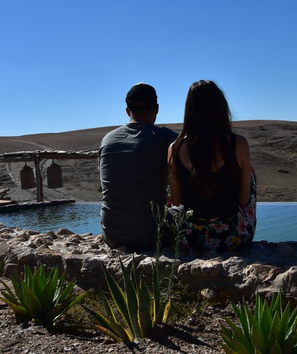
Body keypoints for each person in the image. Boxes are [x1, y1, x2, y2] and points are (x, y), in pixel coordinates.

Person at [168, 80, 256, 253]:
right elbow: (244, 200)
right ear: (221, 108)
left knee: (171, 179)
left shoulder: (174, 148)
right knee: (250, 172)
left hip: (192, 239)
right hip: (234, 237)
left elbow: (177, 203)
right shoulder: (238, 144)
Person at [99, 83, 178, 251]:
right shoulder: (167, 138)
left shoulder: (107, 140)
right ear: (156, 109)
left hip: (112, 235)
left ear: (128, 111)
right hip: (152, 236)